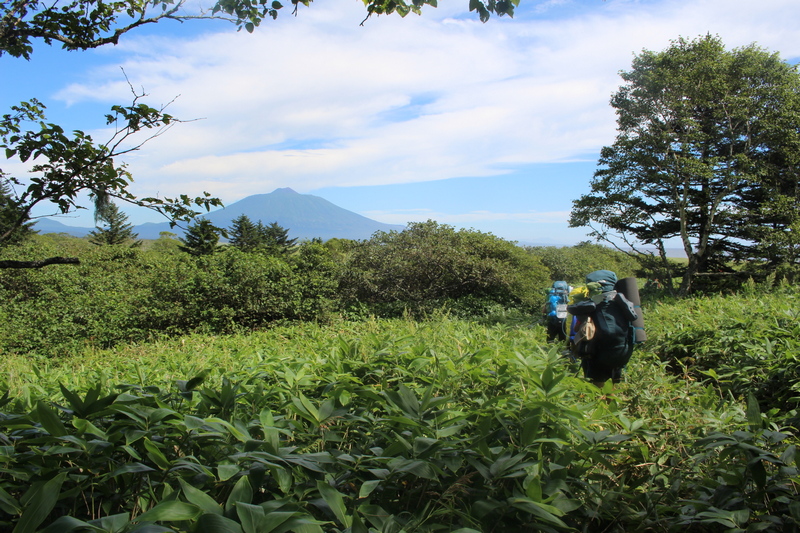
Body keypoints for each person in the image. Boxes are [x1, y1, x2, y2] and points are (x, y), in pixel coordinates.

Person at [567, 270, 638, 387]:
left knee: (597, 386)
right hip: (623, 350)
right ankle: (612, 403)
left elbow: (572, 311)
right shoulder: (622, 301)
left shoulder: (592, 304)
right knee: (614, 383)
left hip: (601, 352)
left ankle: (599, 404)